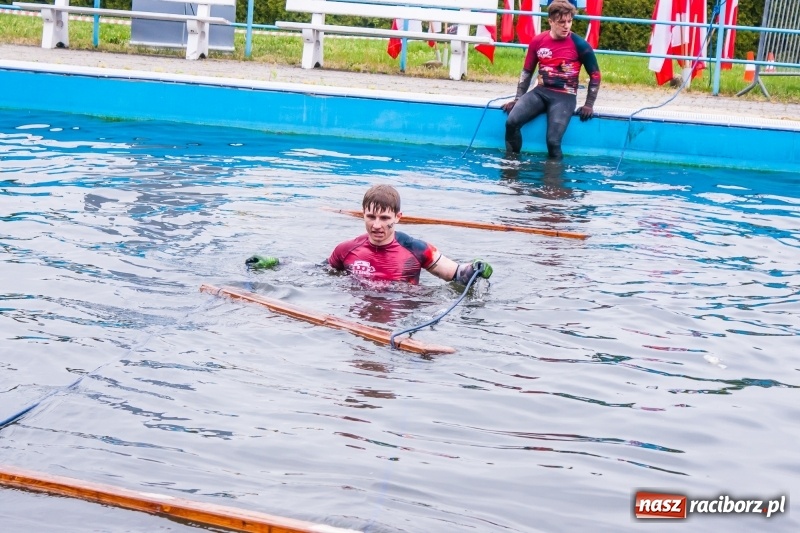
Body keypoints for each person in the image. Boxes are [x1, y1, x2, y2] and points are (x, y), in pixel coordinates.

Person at [327, 184, 493, 285]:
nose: (376, 225)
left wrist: (475, 269)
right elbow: (321, 274)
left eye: (384, 218)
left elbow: (457, 274)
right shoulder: (345, 250)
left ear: (398, 217)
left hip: (402, 318)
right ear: (363, 214)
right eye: (371, 217)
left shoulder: (417, 249)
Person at [502, 0, 601, 159]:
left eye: (569, 21)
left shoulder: (580, 45)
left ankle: (554, 182)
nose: (566, 26)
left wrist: (589, 104)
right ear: (551, 22)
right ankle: (511, 167)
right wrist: (518, 99)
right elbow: (527, 71)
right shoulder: (538, 41)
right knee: (511, 123)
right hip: (540, 93)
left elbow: (595, 75)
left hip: (564, 97)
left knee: (553, 141)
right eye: (562, 22)